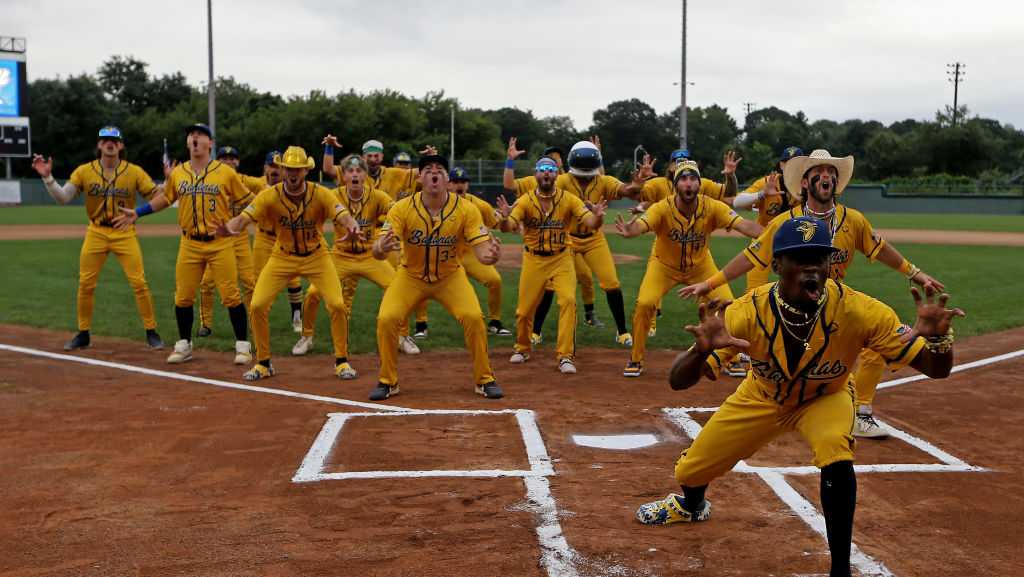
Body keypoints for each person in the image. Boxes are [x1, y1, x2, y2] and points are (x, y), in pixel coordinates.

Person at [636, 216, 965, 577]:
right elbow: (677, 382)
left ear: (830, 265)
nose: (812, 268)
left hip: (826, 397)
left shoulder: (860, 310)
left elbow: (937, 369)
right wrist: (699, 353)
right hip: (761, 396)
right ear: (777, 266)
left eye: (820, 259)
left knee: (835, 451)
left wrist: (937, 340)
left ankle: (841, 569)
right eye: (799, 258)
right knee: (690, 469)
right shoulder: (746, 311)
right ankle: (693, 505)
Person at [678, 150, 946, 438]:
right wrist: (710, 283)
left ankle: (862, 411)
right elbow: (752, 257)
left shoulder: (853, 220)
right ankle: (740, 378)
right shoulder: (785, 222)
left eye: (832, 171)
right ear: (805, 183)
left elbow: (880, 249)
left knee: (874, 338)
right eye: (818, 170)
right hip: (791, 307)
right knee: (757, 337)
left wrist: (914, 272)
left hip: (834, 305)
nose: (827, 175)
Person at [113, 123, 253, 366]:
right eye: (191, 135)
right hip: (189, 243)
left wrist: (236, 223)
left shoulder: (225, 173)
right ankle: (184, 344)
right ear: (188, 143)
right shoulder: (179, 173)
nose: (195, 138)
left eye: (200, 135)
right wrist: (139, 212)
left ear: (210, 143)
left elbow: (249, 201)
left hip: (219, 242)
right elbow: (166, 198)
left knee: (231, 295)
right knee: (183, 297)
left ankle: (243, 346)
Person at [215, 146, 359, 380]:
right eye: (288, 169)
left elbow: (342, 214)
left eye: (298, 169)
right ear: (282, 169)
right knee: (258, 305)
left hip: (317, 256)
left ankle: (342, 361)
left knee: (337, 305)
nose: (293, 173)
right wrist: (229, 228)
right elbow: (244, 218)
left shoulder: (320, 193)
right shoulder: (269, 195)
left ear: (305, 171)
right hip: (282, 255)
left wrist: (352, 226)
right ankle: (263, 363)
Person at [370, 153, 503, 401]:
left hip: (450, 276)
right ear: (420, 178)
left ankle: (484, 379)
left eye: (440, 170)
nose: (434, 173)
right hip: (410, 275)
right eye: (428, 169)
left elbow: (482, 250)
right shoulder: (401, 208)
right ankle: (388, 381)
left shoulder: (466, 209)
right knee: (387, 318)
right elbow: (379, 250)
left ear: (446, 179)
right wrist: (381, 248)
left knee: (473, 317)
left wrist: (491, 257)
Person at [612, 161, 763, 377]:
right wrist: (631, 229)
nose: (689, 183)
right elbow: (643, 224)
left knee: (728, 306)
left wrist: (772, 233)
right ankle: (636, 358)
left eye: (693, 179)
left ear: (699, 184)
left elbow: (744, 225)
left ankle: (731, 358)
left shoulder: (712, 206)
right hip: (663, 266)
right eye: (683, 179)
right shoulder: (663, 207)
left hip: (701, 266)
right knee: (645, 303)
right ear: (676, 185)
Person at [32, 126, 164, 350]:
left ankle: (151, 331)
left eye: (114, 140)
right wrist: (48, 178)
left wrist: (168, 184)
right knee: (86, 283)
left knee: (139, 283)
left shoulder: (134, 172)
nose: (109, 144)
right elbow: (64, 197)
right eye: (105, 140)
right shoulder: (85, 171)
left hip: (124, 231)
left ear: (121, 145)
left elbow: (159, 196)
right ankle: (83, 333)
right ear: (99, 145)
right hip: (96, 231)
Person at [291, 154, 416, 376]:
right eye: (350, 171)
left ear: (365, 175)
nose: (355, 174)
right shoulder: (333, 196)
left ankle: (403, 335)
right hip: (340, 256)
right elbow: (313, 214)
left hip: (370, 256)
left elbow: (397, 212)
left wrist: (389, 233)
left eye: (359, 171)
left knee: (397, 288)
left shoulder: (377, 196)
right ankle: (307, 336)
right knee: (312, 293)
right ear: (344, 176)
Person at [496, 157, 606, 373]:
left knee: (568, 301)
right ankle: (523, 348)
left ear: (557, 175)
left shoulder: (569, 199)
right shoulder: (525, 201)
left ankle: (565, 356)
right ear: (536, 174)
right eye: (542, 169)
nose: (546, 173)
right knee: (524, 310)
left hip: (561, 257)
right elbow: (508, 227)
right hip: (534, 259)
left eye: (551, 170)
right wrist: (504, 218)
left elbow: (591, 223)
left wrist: (598, 217)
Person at [322, 136, 425, 352]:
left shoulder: (394, 173)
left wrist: (430, 159)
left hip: (385, 233)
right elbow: (329, 169)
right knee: (344, 290)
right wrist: (330, 147)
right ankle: (342, 334)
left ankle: (402, 334)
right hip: (352, 236)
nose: (373, 158)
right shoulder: (353, 170)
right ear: (363, 157)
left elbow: (418, 174)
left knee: (398, 283)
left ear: (382, 156)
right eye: (369, 155)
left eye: (376, 154)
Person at [632, 148, 741, 340]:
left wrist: (730, 175)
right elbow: (641, 196)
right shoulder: (658, 184)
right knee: (648, 298)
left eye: (686, 160)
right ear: (671, 166)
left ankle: (725, 344)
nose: (682, 165)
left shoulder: (702, 183)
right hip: (664, 246)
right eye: (677, 161)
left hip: (697, 251)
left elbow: (728, 193)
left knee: (725, 300)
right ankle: (650, 323)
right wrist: (640, 182)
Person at [503, 138, 603, 333]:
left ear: (559, 168)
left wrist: (597, 217)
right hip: (535, 251)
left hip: (564, 248)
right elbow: (509, 185)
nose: (554, 161)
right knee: (526, 309)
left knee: (573, 293)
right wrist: (510, 160)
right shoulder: (533, 185)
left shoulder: (567, 181)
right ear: (537, 170)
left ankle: (565, 349)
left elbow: (595, 181)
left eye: (556, 159)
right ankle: (529, 337)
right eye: (550, 157)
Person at [196, 146, 260, 337]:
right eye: (224, 158)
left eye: (233, 158)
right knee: (207, 283)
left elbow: (265, 190)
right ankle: (205, 324)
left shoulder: (246, 181)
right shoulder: (210, 179)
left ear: (238, 162)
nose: (229, 161)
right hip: (219, 238)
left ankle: (253, 322)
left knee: (249, 281)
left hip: (239, 237)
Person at [247, 150, 306, 334]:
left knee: (293, 278)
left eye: (277, 167)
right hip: (263, 237)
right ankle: (258, 317)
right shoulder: (258, 184)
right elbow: (235, 178)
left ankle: (297, 316)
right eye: (270, 166)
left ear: (283, 169)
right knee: (257, 279)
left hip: (286, 237)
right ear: (265, 167)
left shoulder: (291, 187)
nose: (274, 171)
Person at [449, 166, 513, 336]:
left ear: (468, 185)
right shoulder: (440, 203)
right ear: (448, 184)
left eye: (463, 181)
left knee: (494, 280)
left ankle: (495, 321)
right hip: (447, 255)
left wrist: (505, 217)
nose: (459, 185)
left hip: (472, 253)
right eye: (455, 181)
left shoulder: (479, 205)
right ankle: (421, 325)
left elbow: (497, 223)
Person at [731, 146, 804, 293]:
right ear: (781, 165)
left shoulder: (808, 185)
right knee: (754, 293)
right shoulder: (769, 182)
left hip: (794, 244)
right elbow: (737, 202)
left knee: (799, 291)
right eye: (786, 162)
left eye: (795, 163)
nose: (790, 166)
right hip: (763, 240)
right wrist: (762, 194)